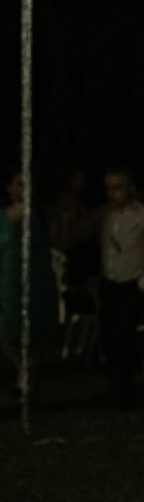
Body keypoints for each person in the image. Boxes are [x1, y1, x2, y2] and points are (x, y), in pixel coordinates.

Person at [98, 166, 144, 408]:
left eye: (117, 188)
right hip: (110, 282)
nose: (112, 193)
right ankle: (116, 387)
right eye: (109, 188)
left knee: (123, 335)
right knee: (109, 336)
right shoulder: (106, 216)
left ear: (131, 189)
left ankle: (125, 390)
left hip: (132, 283)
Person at [0, 167, 60, 399]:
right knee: (6, 332)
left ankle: (28, 385)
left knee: (36, 334)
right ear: (9, 188)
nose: (24, 189)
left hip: (38, 280)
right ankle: (24, 368)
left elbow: (59, 244)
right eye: (19, 184)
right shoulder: (2, 216)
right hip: (8, 281)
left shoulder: (44, 215)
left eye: (28, 185)